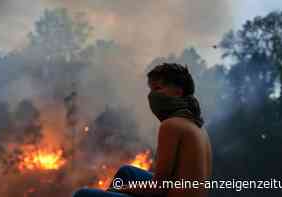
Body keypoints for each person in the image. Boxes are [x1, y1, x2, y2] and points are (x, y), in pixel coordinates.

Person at [73, 63, 212, 197]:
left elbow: (158, 188)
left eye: (157, 89)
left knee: (82, 195)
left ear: (178, 92)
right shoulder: (198, 126)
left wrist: (123, 189)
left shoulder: (171, 126)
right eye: (151, 90)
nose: (152, 96)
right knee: (127, 173)